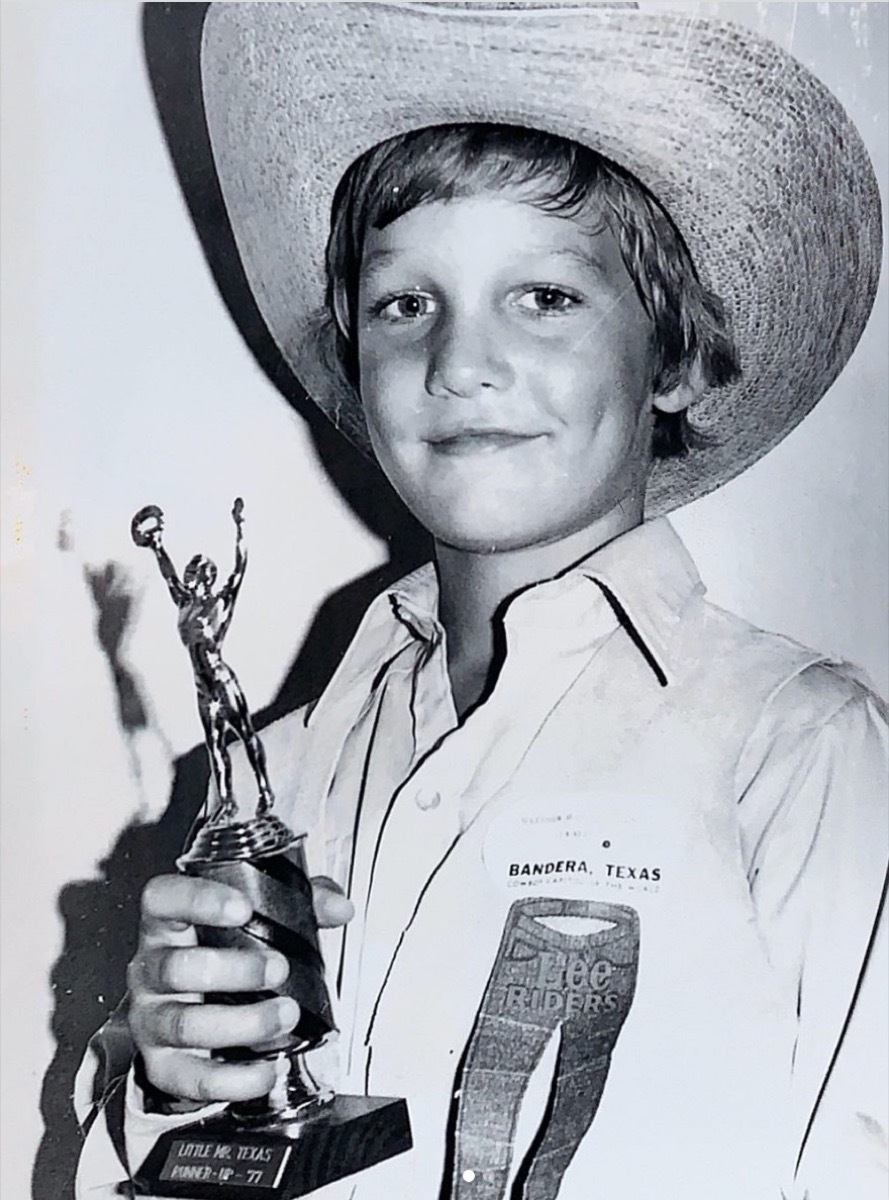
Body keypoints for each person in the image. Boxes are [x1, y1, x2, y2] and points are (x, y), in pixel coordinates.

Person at [75, 4, 887, 1198]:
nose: (460, 361)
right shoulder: (276, 774)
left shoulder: (802, 751)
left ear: (667, 359)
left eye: (545, 298)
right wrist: (167, 1089)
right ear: (354, 353)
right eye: (408, 303)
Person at [130, 498, 274, 822]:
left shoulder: (220, 603)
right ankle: (227, 803)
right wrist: (156, 545)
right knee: (216, 748)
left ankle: (264, 789)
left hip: (222, 681)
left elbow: (240, 567)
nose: (189, 573)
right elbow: (167, 573)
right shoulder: (184, 604)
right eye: (189, 570)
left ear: (207, 576)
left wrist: (240, 527)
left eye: (195, 570)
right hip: (202, 688)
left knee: (246, 735)